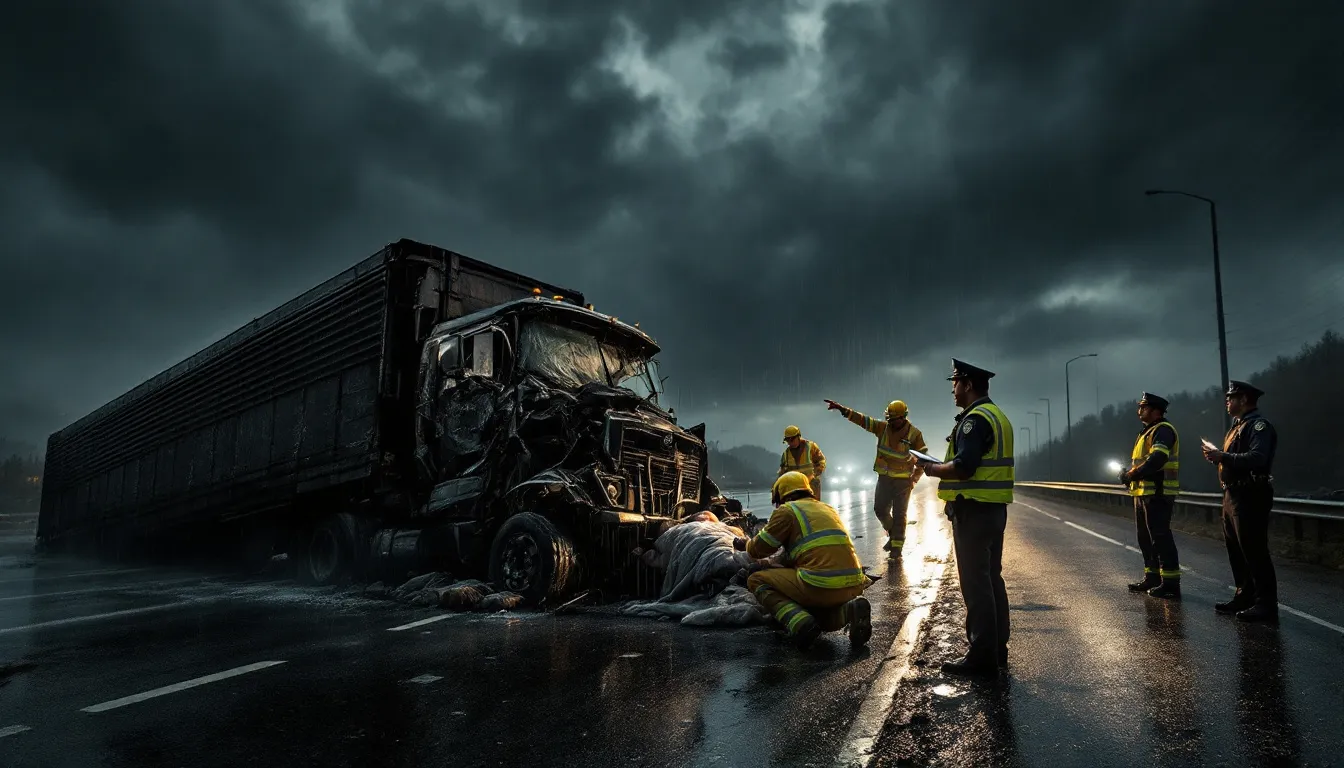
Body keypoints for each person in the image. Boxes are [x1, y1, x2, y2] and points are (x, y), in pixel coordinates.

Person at [914, 359, 1013, 679]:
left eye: (955, 383)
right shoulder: (997, 415)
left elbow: (965, 466)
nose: (953, 390)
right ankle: (997, 649)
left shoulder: (975, 420)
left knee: (976, 583)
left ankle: (982, 656)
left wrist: (932, 469)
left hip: (974, 509)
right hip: (994, 509)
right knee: (991, 578)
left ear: (968, 385)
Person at [733, 471, 872, 649]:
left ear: (782, 495)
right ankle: (848, 611)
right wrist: (772, 562)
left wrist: (746, 543)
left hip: (820, 585)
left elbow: (758, 549)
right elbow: (801, 552)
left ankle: (798, 623)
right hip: (853, 585)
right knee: (819, 619)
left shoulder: (787, 511)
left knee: (756, 580)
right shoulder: (827, 508)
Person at [1202, 380, 1279, 624]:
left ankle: (1265, 604)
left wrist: (1223, 455)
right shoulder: (1237, 427)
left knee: (1254, 550)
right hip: (1233, 494)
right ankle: (1244, 595)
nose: (1227, 401)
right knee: (1236, 549)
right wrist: (1220, 458)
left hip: (1250, 494)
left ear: (1244, 399)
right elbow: (1236, 459)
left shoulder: (1258, 426)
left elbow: (1257, 457)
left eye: (1231, 397)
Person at [824, 398, 928, 557]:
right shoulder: (882, 428)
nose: (891, 422)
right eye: (889, 419)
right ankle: (894, 534)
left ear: (903, 417)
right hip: (885, 478)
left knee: (900, 514)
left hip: (903, 481)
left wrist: (915, 478)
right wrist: (843, 410)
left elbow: (923, 458)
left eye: (894, 420)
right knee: (880, 509)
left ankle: (896, 549)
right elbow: (863, 420)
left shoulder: (914, 434)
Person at [1119, 392, 1182, 598]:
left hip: (1158, 492)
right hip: (1144, 493)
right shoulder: (1147, 432)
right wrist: (1129, 472)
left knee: (1160, 537)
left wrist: (1132, 473)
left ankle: (1170, 583)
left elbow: (1157, 459)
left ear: (1156, 410)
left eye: (1143, 407)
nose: (1139, 411)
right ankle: (1152, 577)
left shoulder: (1163, 430)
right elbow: (1143, 460)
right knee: (1146, 538)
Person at [779, 425, 828, 501]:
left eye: (792, 440)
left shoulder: (811, 447)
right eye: (788, 441)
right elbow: (782, 472)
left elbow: (821, 460)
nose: (790, 443)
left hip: (812, 485)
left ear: (798, 436)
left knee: (813, 509)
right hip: (795, 489)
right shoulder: (786, 454)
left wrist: (817, 472)